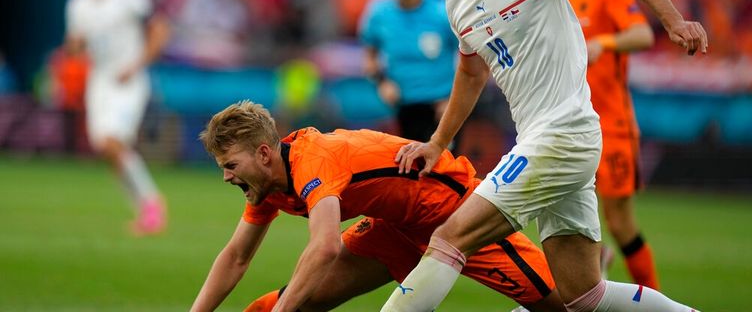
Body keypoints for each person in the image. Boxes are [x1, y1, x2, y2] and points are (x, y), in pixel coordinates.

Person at [381, 0, 706, 311]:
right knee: (583, 297)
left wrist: (674, 21)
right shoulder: (457, 2)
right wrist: (438, 143)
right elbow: (471, 72)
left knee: (449, 238)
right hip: (543, 139)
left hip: (563, 134)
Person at [191, 100, 566, 312]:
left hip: (453, 210)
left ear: (262, 153)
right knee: (290, 303)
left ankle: (591, 277)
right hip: (393, 227)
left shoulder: (312, 161)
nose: (226, 177)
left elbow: (323, 247)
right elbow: (237, 257)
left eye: (230, 165)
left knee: (568, 305)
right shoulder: (266, 182)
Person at [550, 0, 659, 290]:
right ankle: (591, 273)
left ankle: (656, 299)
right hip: (566, 124)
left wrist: (604, 42)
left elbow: (643, 35)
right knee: (567, 218)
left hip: (610, 123)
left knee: (618, 221)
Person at [64, 0, 171, 235]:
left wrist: (137, 64)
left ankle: (152, 204)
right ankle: (143, 208)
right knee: (107, 147)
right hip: (99, 81)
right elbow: (73, 47)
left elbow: (160, 29)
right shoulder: (78, 4)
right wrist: (74, 46)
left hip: (128, 80)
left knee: (112, 142)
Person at [360, 0, 458, 145]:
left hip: (441, 106)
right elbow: (370, 55)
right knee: (409, 169)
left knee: (445, 168)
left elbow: (467, 55)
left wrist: (454, 100)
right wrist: (381, 82)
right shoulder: (378, 13)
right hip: (402, 105)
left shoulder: (442, 12)